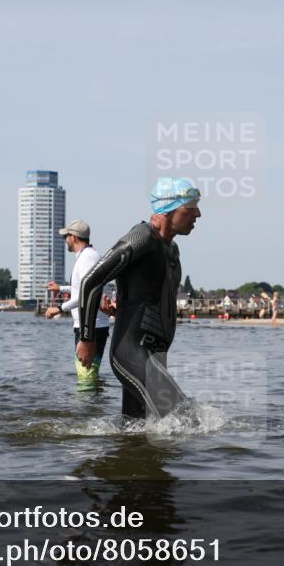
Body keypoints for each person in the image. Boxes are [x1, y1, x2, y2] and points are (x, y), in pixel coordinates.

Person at [75, 177, 201, 419]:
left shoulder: (170, 248)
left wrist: (124, 306)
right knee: (185, 418)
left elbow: (150, 296)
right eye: (190, 208)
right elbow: (91, 281)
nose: (198, 214)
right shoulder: (142, 237)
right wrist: (87, 339)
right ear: (169, 208)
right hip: (131, 352)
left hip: (155, 355)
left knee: (136, 430)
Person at [45, 220, 111, 389]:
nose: (65, 240)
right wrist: (61, 288)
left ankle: (87, 404)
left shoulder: (87, 258)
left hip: (91, 327)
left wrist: (59, 308)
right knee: (88, 374)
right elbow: (81, 288)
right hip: (91, 326)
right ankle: (92, 403)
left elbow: (86, 293)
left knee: (86, 375)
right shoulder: (88, 256)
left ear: (73, 237)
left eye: (66, 237)